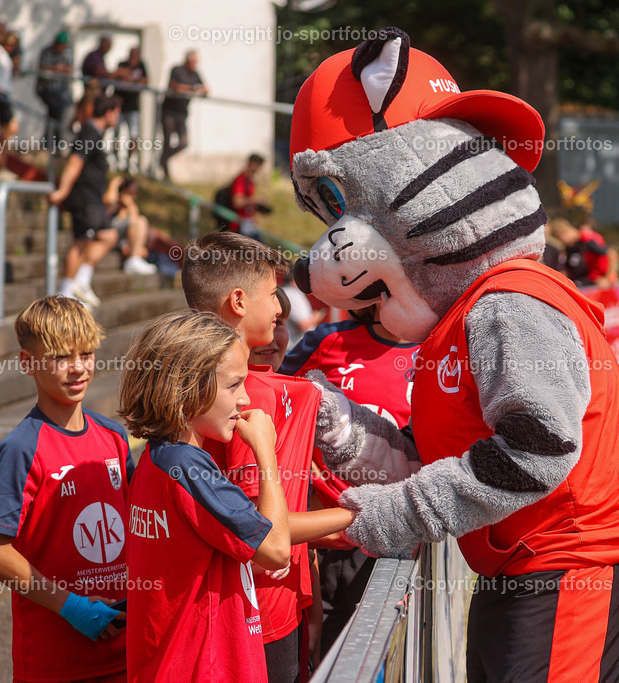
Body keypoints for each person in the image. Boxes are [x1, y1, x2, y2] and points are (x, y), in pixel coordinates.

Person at [182, 232, 354, 682]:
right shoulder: (235, 407)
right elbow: (265, 537)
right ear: (239, 301)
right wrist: (357, 517)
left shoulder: (281, 390)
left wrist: (308, 598)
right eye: (271, 294)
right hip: (246, 619)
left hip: (285, 608)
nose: (282, 309)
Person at [120, 310, 291, 682]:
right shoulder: (188, 467)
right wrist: (266, 452)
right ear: (187, 386)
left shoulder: (156, 458)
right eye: (233, 385)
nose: (245, 398)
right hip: (204, 670)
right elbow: (277, 547)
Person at [0, 296, 131, 682]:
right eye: (61, 357)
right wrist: (73, 607)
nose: (78, 368)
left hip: (124, 651)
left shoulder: (114, 436)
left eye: (87, 353)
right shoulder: (21, 448)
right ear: (27, 362)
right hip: (54, 662)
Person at [280, 302, 419, 658]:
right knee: (313, 651)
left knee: (375, 654)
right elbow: (277, 398)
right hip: (320, 533)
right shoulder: (329, 340)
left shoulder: (437, 351)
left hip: (391, 536)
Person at [48, 94, 122, 310]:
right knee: (80, 243)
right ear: (108, 113)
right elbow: (74, 162)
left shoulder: (95, 134)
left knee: (109, 235)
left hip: (93, 201)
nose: (117, 118)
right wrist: (62, 190)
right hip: (83, 199)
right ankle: (63, 294)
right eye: (116, 113)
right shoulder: (89, 132)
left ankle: (81, 281)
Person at [160, 50, 207, 181]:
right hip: (169, 111)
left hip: (182, 113)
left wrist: (201, 90)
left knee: (183, 142)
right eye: (193, 62)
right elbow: (174, 87)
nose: (195, 64)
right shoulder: (177, 70)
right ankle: (165, 170)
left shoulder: (195, 73)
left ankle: (163, 158)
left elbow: (205, 88)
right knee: (167, 141)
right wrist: (192, 89)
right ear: (187, 60)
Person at [103, 175, 158, 275]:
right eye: (131, 191)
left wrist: (130, 205)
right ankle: (133, 260)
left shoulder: (129, 206)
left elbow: (134, 221)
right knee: (140, 221)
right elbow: (109, 201)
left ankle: (134, 258)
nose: (133, 195)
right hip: (109, 232)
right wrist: (114, 184)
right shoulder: (113, 201)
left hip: (123, 240)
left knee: (141, 221)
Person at [36, 32, 74, 147]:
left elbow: (69, 69)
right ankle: (50, 142)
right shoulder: (46, 51)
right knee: (54, 114)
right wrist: (55, 68)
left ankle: (53, 142)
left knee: (59, 114)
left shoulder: (67, 53)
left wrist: (58, 69)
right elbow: (42, 67)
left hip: (61, 91)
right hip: (47, 90)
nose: (60, 48)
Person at [113, 47, 147, 172]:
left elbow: (145, 80)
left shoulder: (142, 66)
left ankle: (128, 163)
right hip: (120, 105)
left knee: (134, 137)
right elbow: (117, 74)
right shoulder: (122, 64)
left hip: (133, 107)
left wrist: (132, 80)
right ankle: (115, 161)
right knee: (116, 135)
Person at [228, 153, 271, 235]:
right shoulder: (241, 180)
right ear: (250, 163)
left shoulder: (250, 181)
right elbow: (237, 202)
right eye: (257, 164)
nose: (258, 168)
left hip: (249, 223)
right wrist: (255, 200)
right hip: (240, 225)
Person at [281, 271, 326, 349]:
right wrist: (317, 316)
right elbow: (303, 324)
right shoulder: (292, 294)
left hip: (291, 345)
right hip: (296, 346)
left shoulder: (284, 292)